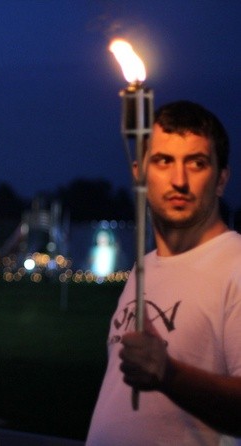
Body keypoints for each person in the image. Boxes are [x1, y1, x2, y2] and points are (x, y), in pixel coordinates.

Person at [86, 100, 241, 445]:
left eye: (197, 163)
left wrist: (169, 374)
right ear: (140, 174)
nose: (179, 180)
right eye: (163, 161)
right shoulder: (143, 269)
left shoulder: (236, 265)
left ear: (221, 179)